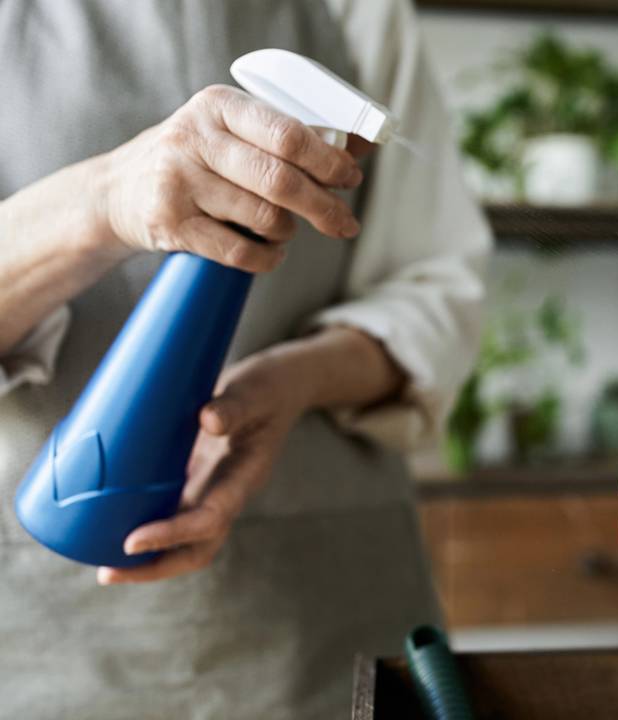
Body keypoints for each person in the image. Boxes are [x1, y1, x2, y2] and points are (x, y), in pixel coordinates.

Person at [0, 0, 490, 716]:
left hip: (326, 631)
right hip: (44, 638)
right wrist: (104, 201)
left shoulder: (358, 12)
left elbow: (438, 291)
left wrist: (294, 381)